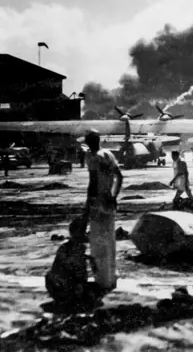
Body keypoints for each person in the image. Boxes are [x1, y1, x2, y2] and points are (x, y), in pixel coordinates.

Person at [82, 129, 123, 292]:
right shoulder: (108, 154)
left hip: (97, 203)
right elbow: (119, 176)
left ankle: (102, 280)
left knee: (98, 242)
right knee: (109, 240)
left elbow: (92, 184)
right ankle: (111, 277)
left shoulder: (92, 158)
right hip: (108, 202)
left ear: (88, 142)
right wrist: (113, 196)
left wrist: (87, 205)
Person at [45, 217, 103, 309]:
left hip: (76, 284)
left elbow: (91, 272)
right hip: (64, 284)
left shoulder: (80, 249)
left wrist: (91, 261)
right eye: (82, 232)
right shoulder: (65, 248)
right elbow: (64, 267)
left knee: (97, 289)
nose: (85, 235)